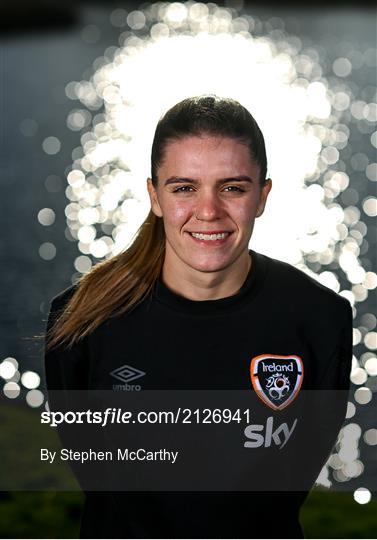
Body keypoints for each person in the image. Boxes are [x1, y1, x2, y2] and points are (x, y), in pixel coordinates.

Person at [44, 95, 353, 538]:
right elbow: (98, 482)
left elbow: (293, 484)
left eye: (233, 187)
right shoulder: (81, 322)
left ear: (262, 195)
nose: (208, 211)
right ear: (155, 195)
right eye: (184, 187)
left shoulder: (320, 318)